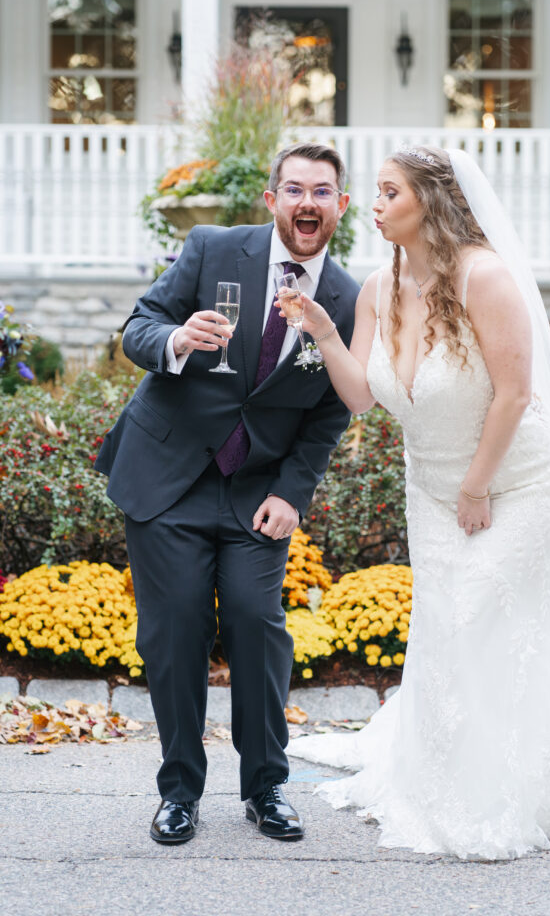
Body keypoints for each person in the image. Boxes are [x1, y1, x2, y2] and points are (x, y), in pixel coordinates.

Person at [286, 146, 550, 860]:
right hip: (431, 487)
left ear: (430, 201)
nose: (372, 205)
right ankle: (446, 776)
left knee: (482, 617)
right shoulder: (379, 286)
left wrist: (476, 487)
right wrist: (321, 330)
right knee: (448, 630)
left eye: (387, 192)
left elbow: (514, 394)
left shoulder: (486, 276)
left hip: (513, 479)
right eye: (374, 192)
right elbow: (358, 395)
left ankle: (509, 787)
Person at [95, 142, 359, 845]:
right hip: (167, 479)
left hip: (255, 493)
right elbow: (139, 329)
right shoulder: (212, 248)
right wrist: (178, 339)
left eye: (323, 191)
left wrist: (292, 492)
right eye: (295, 189)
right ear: (271, 200)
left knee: (255, 622)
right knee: (175, 633)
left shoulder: (346, 298)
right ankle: (179, 790)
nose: (308, 202)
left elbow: (330, 409)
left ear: (340, 205)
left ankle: (267, 787)